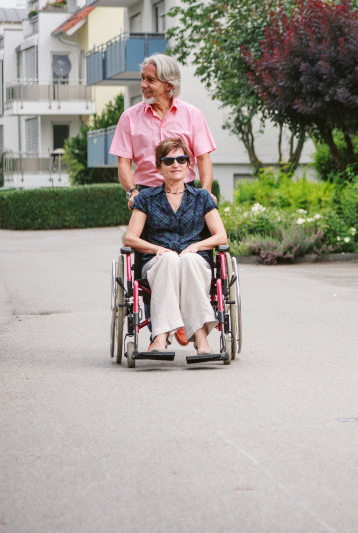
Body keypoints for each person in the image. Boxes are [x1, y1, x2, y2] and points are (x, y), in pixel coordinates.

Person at [124, 138, 227, 355]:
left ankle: (201, 339)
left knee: (188, 260)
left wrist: (198, 246)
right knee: (170, 259)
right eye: (168, 160)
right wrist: (156, 249)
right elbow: (130, 239)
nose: (175, 164)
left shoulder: (202, 198)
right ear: (158, 166)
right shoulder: (146, 199)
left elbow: (221, 236)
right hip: (157, 262)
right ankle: (160, 338)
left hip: (195, 261)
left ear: (189, 164)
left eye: (181, 159)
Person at [110, 53, 216, 210]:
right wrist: (132, 192)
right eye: (143, 78)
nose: (143, 84)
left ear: (169, 85)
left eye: (150, 80)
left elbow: (203, 158)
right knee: (140, 236)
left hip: (186, 193)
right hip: (146, 195)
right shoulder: (129, 117)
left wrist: (206, 193)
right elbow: (124, 163)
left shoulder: (192, 115)